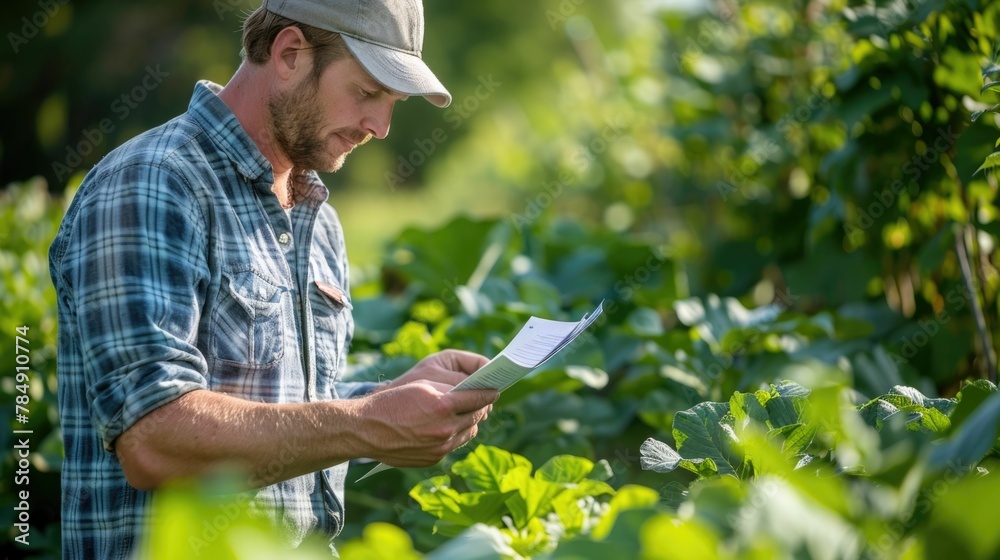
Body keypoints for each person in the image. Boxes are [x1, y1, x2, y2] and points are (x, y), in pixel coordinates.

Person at [47, 0, 498, 556]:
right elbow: (155, 439)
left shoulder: (317, 217)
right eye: (366, 93)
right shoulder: (154, 184)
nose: (380, 127)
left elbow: (293, 413)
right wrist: (367, 422)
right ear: (288, 54)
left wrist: (389, 397)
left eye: (393, 104)